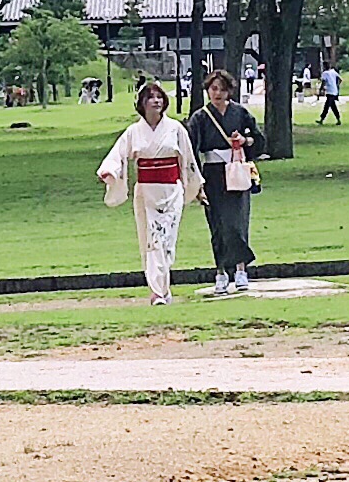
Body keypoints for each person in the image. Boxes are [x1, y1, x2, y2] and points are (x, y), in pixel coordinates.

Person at [97, 81, 204, 306]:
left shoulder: (176, 129)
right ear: (142, 103)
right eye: (150, 97)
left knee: (166, 240)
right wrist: (109, 171)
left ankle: (162, 287)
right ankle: (158, 291)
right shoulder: (134, 131)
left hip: (171, 190)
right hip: (146, 192)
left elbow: (188, 160)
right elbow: (118, 154)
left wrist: (196, 187)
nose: (155, 101)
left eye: (159, 97)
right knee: (151, 240)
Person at [187, 69, 266, 298]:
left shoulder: (240, 113)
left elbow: (258, 140)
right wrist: (196, 181)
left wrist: (244, 140)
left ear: (230, 91)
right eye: (213, 89)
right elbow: (192, 148)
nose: (217, 93)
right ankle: (221, 271)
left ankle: (241, 269)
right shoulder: (200, 117)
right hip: (212, 174)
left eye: (222, 89)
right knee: (218, 225)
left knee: (237, 223)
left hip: (236, 173)